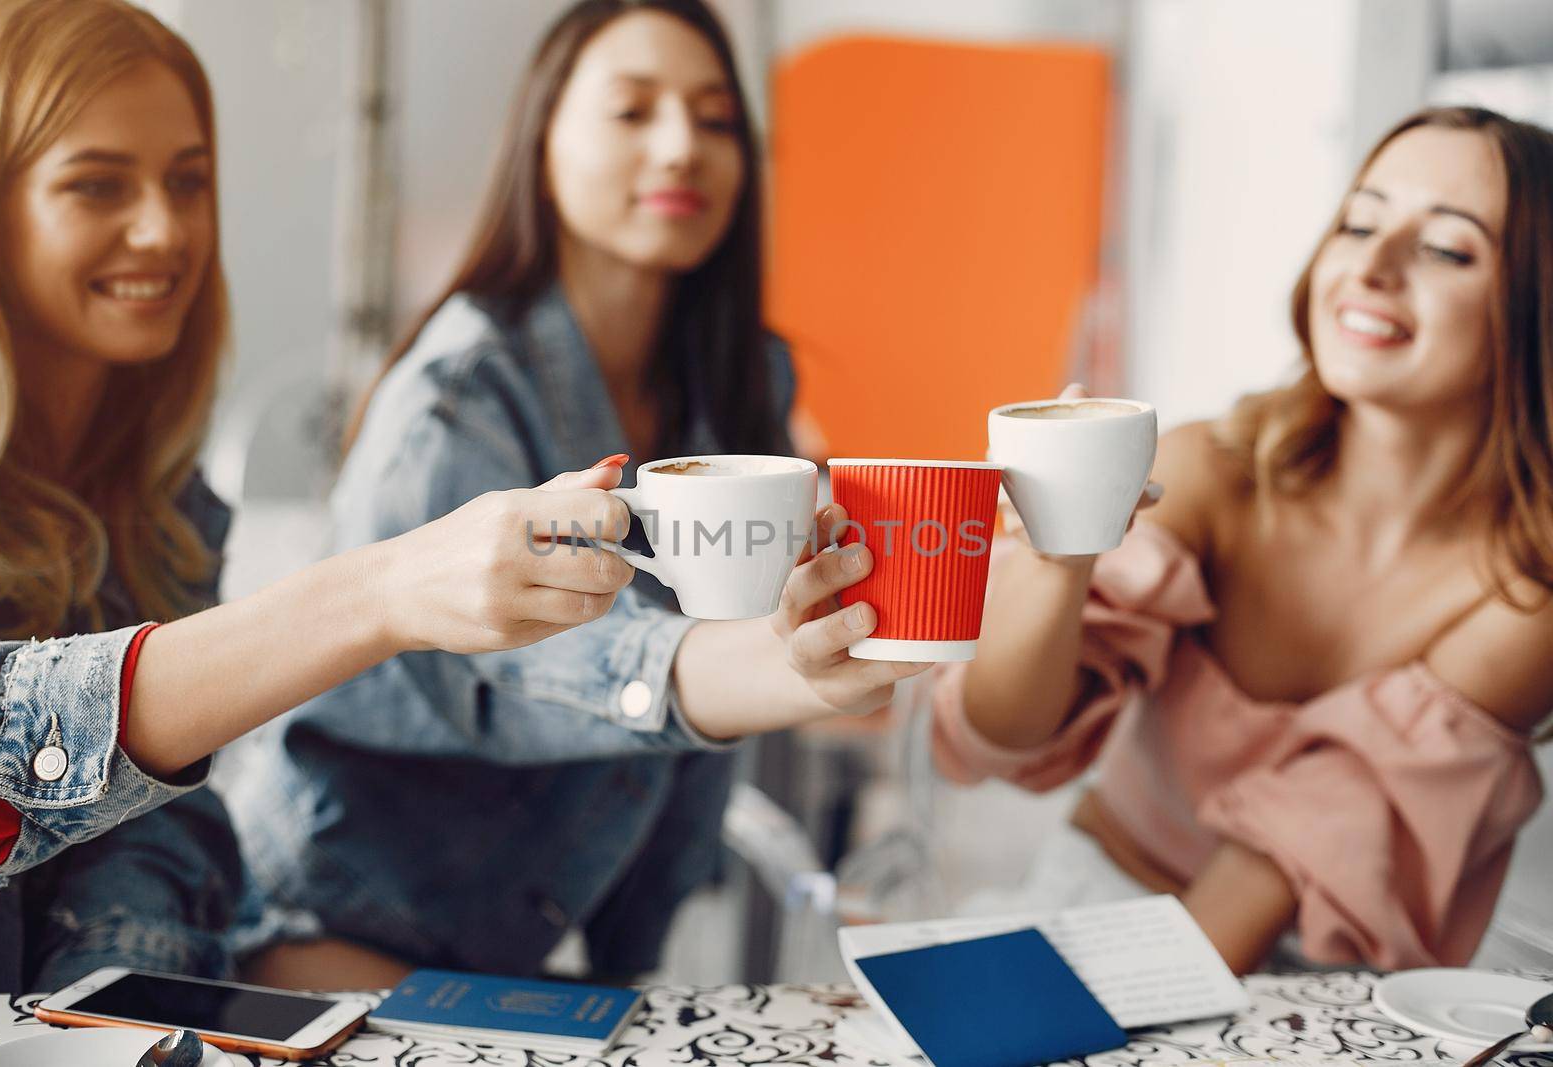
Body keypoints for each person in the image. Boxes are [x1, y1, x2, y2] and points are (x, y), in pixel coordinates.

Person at [228, 0, 926, 988]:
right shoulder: (456, 398)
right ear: (541, 139)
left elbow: (699, 713)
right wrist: (785, 665)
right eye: (633, 111)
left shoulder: (738, 379)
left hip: (524, 956)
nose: (682, 146)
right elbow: (529, 667)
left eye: (716, 118)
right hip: (319, 940)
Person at [0, 0, 642, 992]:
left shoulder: (166, 507)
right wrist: (380, 592)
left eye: (188, 182)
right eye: (97, 185)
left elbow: (153, 840)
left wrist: (120, 1011)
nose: (164, 228)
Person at [934, 106, 1552, 973]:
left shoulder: (1526, 595)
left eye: (1448, 248)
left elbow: (1274, 865)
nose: (1370, 268)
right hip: (1098, 903)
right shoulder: (1208, 472)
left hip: (1323, 994)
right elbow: (1003, 738)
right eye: (1358, 222)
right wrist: (1055, 563)